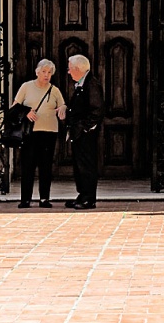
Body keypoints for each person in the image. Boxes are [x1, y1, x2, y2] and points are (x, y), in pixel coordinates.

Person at [11, 59, 67, 208]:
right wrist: (26, 112)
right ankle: (25, 199)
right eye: (44, 72)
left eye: (49, 72)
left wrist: (63, 109)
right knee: (28, 165)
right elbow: (14, 108)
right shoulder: (26, 87)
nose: (46, 75)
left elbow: (62, 105)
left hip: (49, 132)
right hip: (30, 132)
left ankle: (44, 198)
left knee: (46, 166)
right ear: (37, 72)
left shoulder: (54, 90)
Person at [57, 54, 104, 210]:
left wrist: (84, 129)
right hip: (78, 132)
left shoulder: (91, 84)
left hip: (85, 134)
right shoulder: (81, 84)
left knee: (87, 166)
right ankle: (82, 194)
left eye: (70, 69)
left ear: (77, 69)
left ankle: (88, 198)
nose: (68, 72)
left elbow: (96, 111)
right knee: (79, 166)